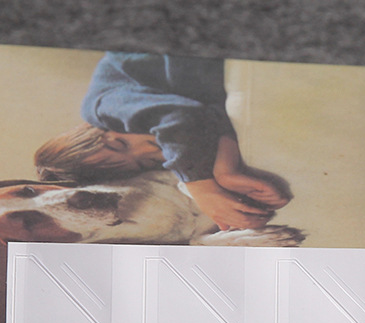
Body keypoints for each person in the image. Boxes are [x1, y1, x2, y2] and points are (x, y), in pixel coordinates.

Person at [34, 52, 290, 231]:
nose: (149, 148)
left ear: (91, 131)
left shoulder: (100, 107)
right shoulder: (178, 139)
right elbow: (206, 116)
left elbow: (179, 117)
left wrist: (202, 187)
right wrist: (226, 170)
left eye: (120, 144)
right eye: (144, 163)